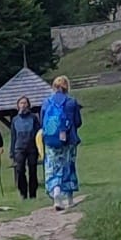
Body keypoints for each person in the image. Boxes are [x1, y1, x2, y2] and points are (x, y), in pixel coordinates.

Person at [41, 76, 83, 211]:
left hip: (51, 141)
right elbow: (78, 122)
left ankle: (56, 193)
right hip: (69, 140)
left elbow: (42, 122)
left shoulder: (46, 102)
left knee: (53, 167)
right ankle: (70, 199)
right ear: (67, 87)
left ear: (54, 86)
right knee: (68, 166)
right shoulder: (71, 102)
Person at [8, 95, 41, 201]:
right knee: (20, 170)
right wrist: (11, 151)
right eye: (21, 103)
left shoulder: (33, 118)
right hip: (19, 148)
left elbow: (39, 133)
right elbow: (13, 136)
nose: (23, 105)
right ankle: (23, 193)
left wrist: (40, 148)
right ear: (18, 105)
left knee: (33, 170)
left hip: (32, 148)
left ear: (28, 105)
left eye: (25, 103)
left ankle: (33, 194)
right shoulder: (15, 120)